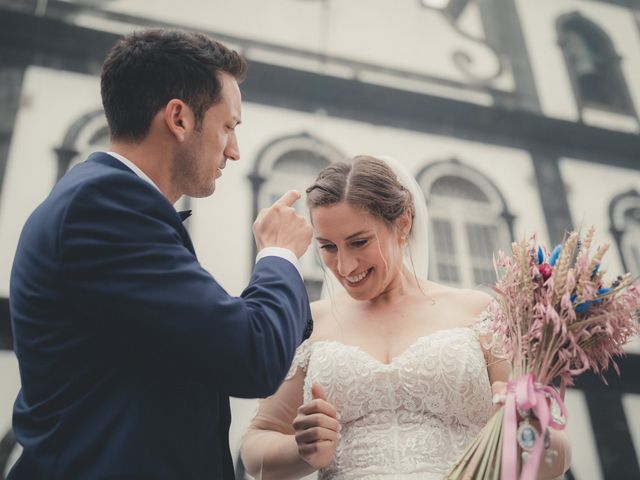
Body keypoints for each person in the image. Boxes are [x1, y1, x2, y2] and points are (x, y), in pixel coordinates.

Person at [8, 29, 313, 480]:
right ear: (179, 118)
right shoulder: (104, 208)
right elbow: (252, 356)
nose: (234, 149)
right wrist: (280, 254)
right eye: (228, 126)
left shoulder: (113, 205)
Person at [240, 155, 571, 479]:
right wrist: (303, 450)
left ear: (403, 223)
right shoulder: (308, 324)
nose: (345, 266)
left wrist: (525, 429)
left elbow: (557, 456)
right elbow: (256, 446)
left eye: (359, 242)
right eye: (327, 247)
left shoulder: (478, 313)